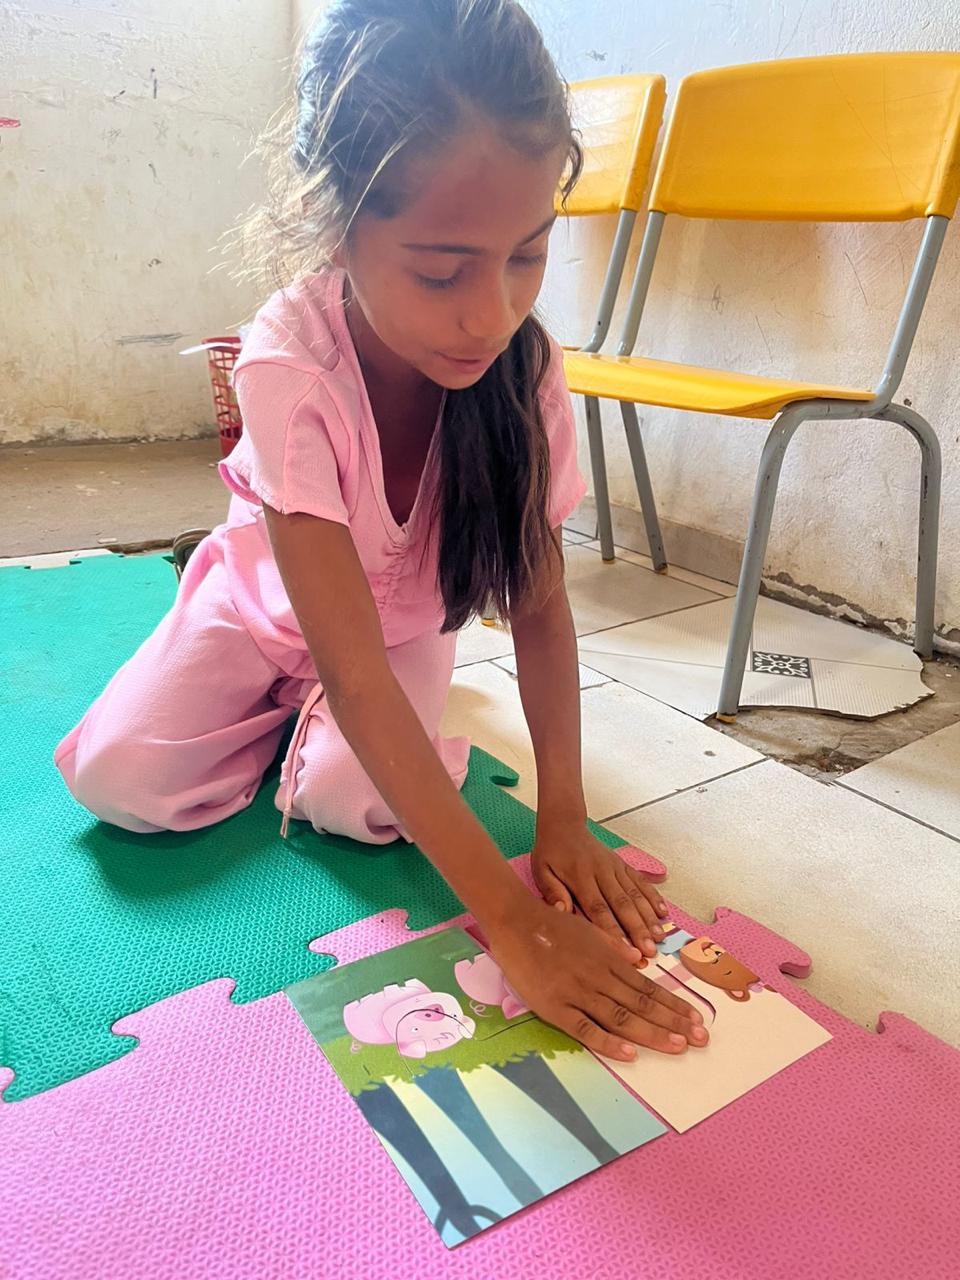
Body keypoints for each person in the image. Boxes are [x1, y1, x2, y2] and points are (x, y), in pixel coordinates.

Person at [55, 0, 708, 1063]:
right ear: (336, 228)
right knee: (121, 784)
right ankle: (239, 659)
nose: (491, 315)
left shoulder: (524, 369)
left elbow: (540, 609)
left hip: (398, 632)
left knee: (360, 804)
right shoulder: (287, 363)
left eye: (528, 256)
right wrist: (517, 922)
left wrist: (561, 817)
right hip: (262, 608)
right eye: (442, 271)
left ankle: (303, 736)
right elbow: (354, 683)